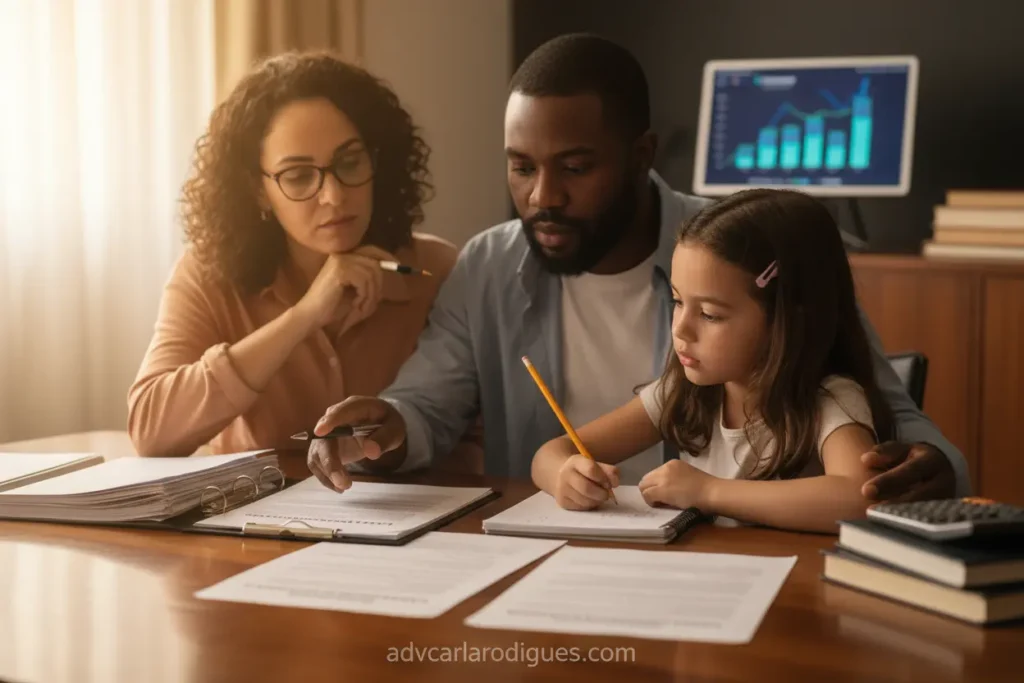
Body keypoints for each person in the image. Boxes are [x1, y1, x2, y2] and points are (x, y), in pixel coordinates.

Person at [307, 34, 969, 503]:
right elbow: (425, 407)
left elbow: (895, 416)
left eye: (574, 167)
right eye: (521, 166)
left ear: (639, 153)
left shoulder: (749, 248)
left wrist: (934, 464)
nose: (543, 197)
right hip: (550, 559)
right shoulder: (486, 265)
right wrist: (387, 426)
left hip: (736, 562)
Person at [127, 52, 457, 459]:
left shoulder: (436, 271)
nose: (334, 197)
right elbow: (150, 430)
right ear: (258, 191)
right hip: (249, 517)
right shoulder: (207, 274)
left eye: (350, 163)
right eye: (299, 176)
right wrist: (304, 316)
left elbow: (478, 440)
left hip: (416, 517)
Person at [533, 189, 894, 532]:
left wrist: (709, 492)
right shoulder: (683, 392)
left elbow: (859, 498)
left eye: (709, 314)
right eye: (677, 301)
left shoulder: (829, 399)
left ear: (789, 318)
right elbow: (550, 452)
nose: (681, 330)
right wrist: (565, 474)